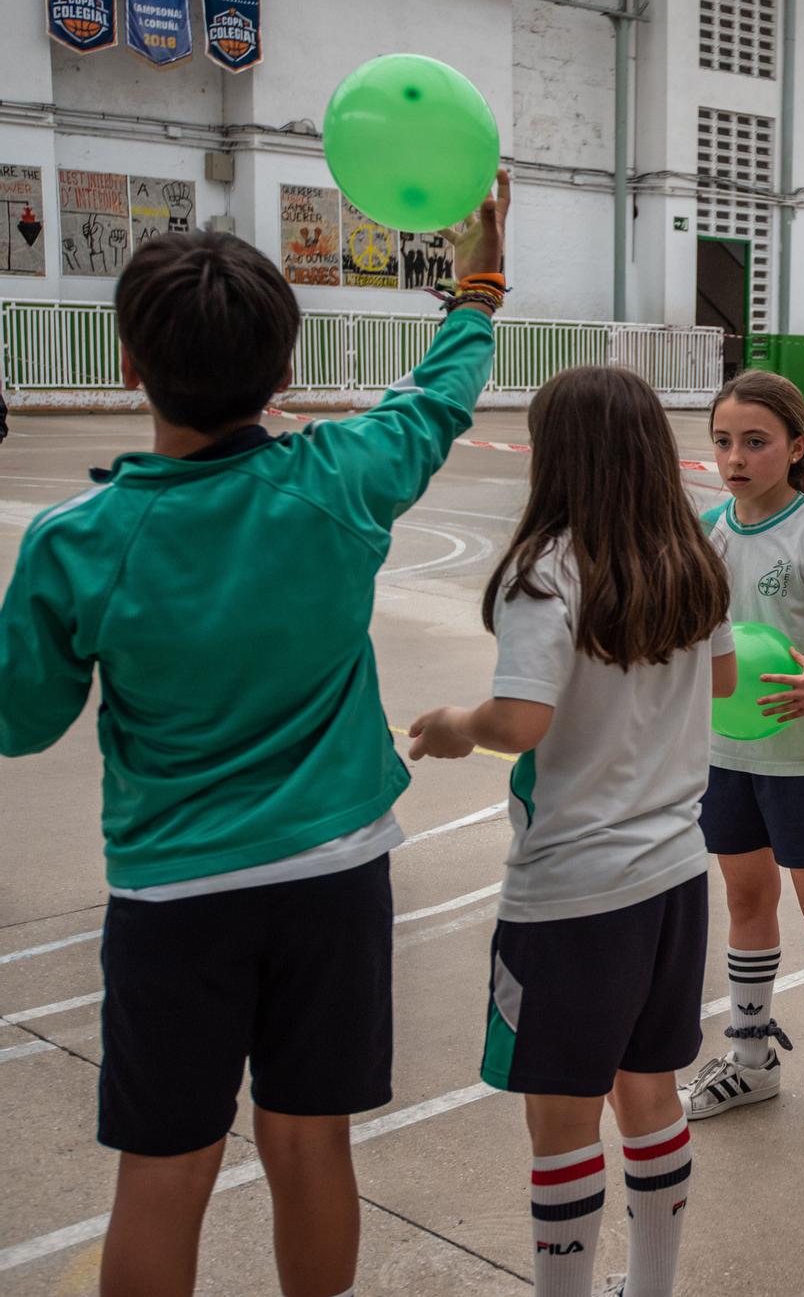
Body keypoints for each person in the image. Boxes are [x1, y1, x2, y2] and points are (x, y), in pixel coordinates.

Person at [0, 173, 509, 1297]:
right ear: (284, 376)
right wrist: (477, 283)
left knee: (165, 1169)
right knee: (308, 1142)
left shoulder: (79, 541)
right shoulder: (340, 481)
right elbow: (437, 398)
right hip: (333, 878)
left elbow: (22, 722)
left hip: (173, 899)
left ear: (129, 367)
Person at [406, 365, 730, 1297]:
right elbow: (723, 685)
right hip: (673, 874)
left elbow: (519, 722)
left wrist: (453, 726)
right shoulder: (692, 560)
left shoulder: (544, 572)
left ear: (558, 458)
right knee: (651, 1093)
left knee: (561, 1120)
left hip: (573, 892)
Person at [682, 371, 804, 1150]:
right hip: (726, 752)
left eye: (756, 442)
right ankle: (750, 1053)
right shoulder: (708, 531)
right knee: (744, 899)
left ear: (796, 448)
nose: (735, 457)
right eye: (724, 441)